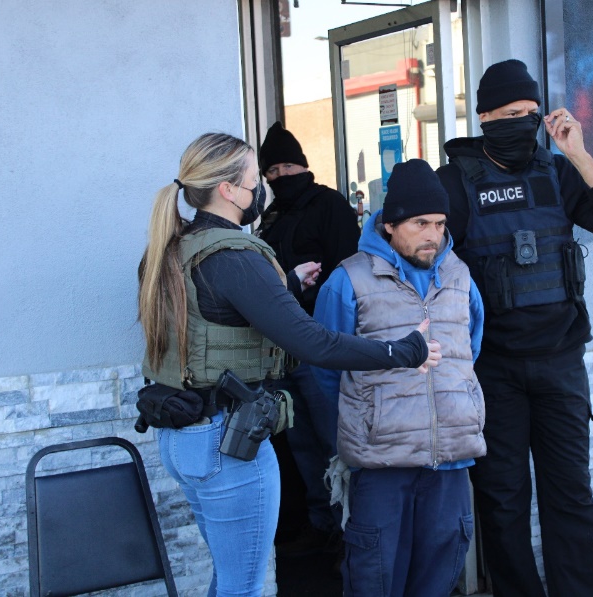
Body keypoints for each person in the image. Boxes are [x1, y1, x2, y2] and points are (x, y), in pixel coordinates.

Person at [137, 132, 440, 597]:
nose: (262, 190)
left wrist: (288, 287)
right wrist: (401, 352)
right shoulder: (234, 256)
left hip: (183, 435)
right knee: (246, 588)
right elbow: (311, 341)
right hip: (225, 443)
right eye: (256, 180)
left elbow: (213, 319)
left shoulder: (172, 248)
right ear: (228, 190)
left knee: (230, 579)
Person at [435, 59, 593, 596]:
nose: (524, 122)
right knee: (503, 504)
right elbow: (413, 250)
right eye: (511, 113)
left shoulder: (557, 173)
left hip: (560, 365)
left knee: (571, 498)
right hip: (493, 372)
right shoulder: (456, 183)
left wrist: (579, 153)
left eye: (532, 113)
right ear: (485, 117)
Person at [312, 159, 486, 597]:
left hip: (449, 462)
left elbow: (471, 349)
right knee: (375, 580)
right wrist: (361, 426)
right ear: (389, 225)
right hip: (381, 465)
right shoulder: (348, 281)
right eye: (420, 223)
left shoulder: (461, 277)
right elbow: (323, 370)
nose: (433, 234)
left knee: (437, 580)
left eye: (440, 223)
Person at [255, 121, 361, 557]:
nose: (281, 176)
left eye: (287, 165)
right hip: (281, 352)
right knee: (301, 447)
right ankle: (325, 532)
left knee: (335, 443)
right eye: (271, 171)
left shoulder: (330, 205)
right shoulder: (270, 217)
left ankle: (352, 534)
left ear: (303, 164)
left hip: (321, 345)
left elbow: (351, 270)